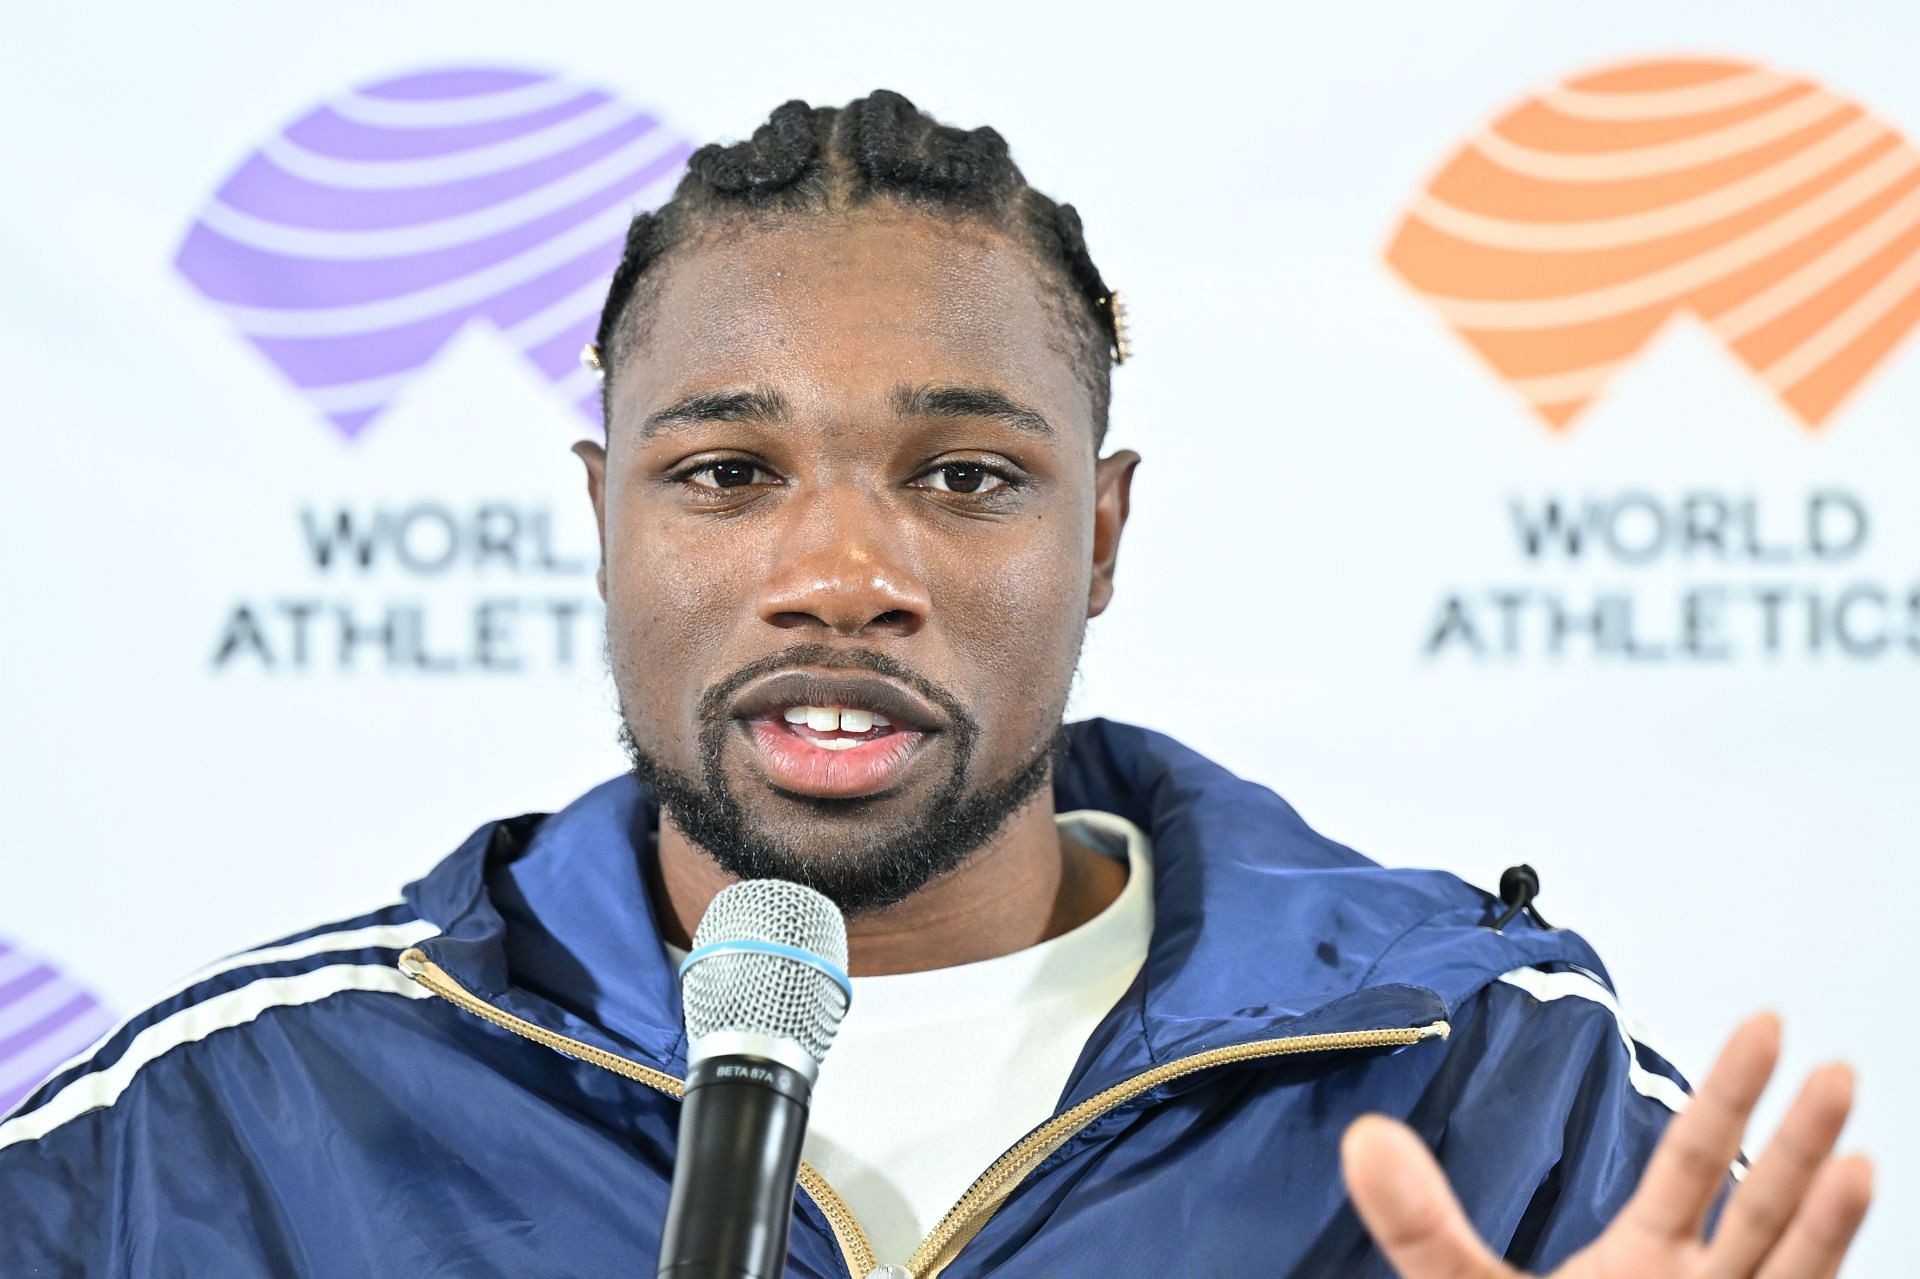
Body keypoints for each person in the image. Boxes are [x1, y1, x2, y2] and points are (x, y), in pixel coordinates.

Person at [0, 91, 1872, 1279]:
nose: (843, 578)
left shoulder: (1485, 1077)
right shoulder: (220, 1131)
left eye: (964, 477)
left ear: (1106, 537)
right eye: (727, 474)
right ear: (603, 518)